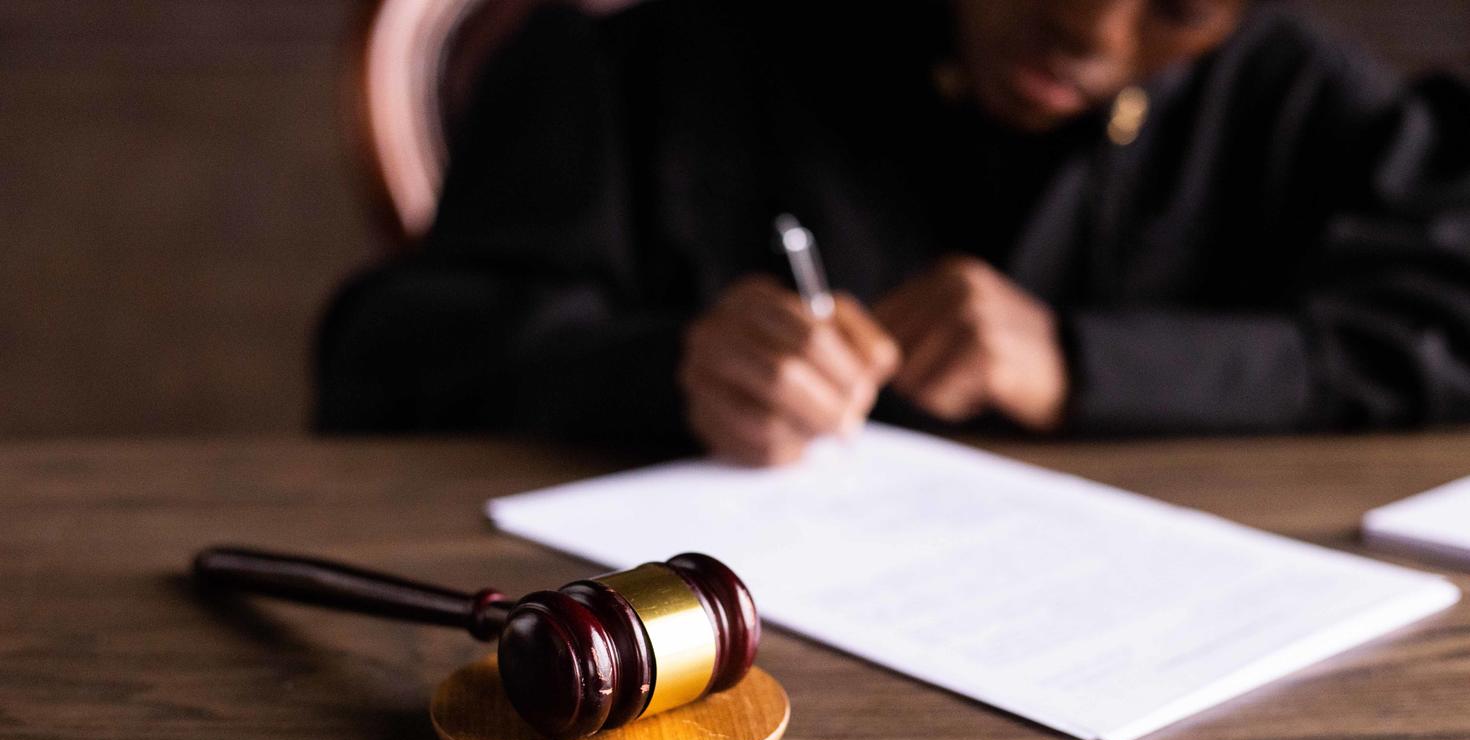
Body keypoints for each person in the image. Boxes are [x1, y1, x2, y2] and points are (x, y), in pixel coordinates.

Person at [316, 0, 1470, 465]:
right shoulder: (668, 55)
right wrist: (664, 368)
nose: (1088, 30)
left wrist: (1084, 361)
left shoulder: (1285, 95)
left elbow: (1442, 325)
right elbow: (385, 353)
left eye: (1173, 4)